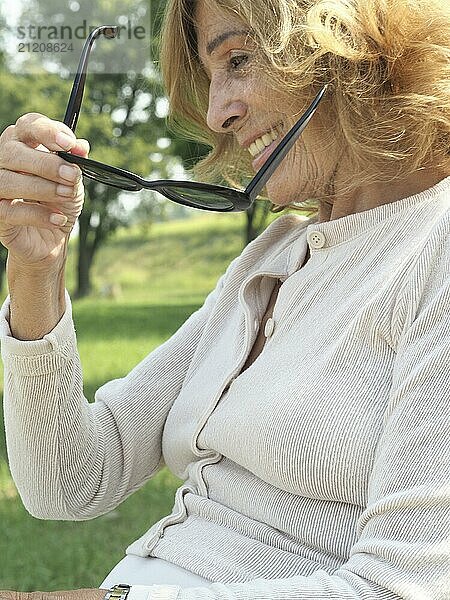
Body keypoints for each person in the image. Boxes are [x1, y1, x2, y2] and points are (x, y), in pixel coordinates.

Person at [0, 0, 449, 599]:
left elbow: (400, 589)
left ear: (350, 50)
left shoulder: (433, 249)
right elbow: (70, 477)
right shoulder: (276, 254)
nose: (217, 115)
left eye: (238, 60)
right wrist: (36, 266)